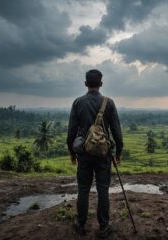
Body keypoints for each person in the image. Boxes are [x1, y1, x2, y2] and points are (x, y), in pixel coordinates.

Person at [67, 69, 123, 238]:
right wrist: (118, 152)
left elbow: (71, 132)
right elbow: (117, 132)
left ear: (85, 83)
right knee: (103, 190)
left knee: (83, 189)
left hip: (84, 154)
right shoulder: (109, 103)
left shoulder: (78, 103)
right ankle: (104, 227)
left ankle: (81, 224)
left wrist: (72, 152)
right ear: (101, 84)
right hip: (104, 155)